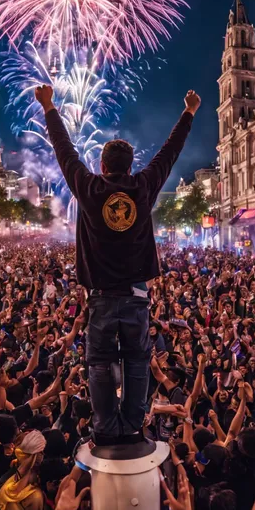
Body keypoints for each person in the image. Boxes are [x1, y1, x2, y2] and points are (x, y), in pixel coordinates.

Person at [35, 84, 201, 442]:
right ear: (130, 167)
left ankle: (105, 425)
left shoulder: (89, 187)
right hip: (136, 293)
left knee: (98, 361)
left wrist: (49, 107)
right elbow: (169, 153)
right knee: (138, 359)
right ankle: (132, 422)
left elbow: (64, 151)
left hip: (100, 294)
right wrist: (188, 113)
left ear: (102, 165)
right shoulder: (143, 186)